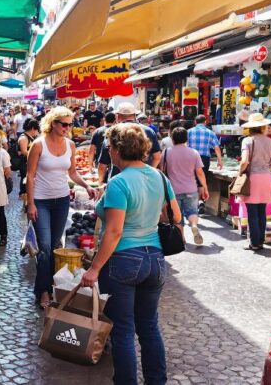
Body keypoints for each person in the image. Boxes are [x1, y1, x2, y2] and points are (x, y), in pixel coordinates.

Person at [81, 123, 180, 385]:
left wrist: (94, 268)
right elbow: (176, 216)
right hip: (155, 259)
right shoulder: (160, 177)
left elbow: (113, 232)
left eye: (110, 148)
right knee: (148, 326)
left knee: (123, 331)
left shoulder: (119, 182)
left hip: (124, 260)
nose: (109, 152)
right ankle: (156, 381)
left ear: (116, 150)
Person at [26, 107, 97, 308]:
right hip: (41, 200)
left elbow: (72, 172)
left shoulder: (71, 145)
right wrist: (30, 203)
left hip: (62, 200)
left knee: (56, 244)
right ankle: (44, 291)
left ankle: (50, 286)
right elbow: (30, 176)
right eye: (64, 124)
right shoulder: (38, 145)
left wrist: (86, 186)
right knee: (45, 247)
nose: (67, 128)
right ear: (52, 123)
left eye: (70, 124)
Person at [238, 113, 271, 251]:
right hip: (266, 178)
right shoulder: (270, 141)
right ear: (263, 126)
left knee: (252, 213)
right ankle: (260, 241)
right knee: (262, 211)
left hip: (253, 179)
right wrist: (266, 169)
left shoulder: (247, 141)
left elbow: (244, 161)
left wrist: (240, 173)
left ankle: (254, 243)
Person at [162, 127, 208, 245]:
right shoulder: (194, 152)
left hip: (173, 190)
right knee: (192, 211)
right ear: (186, 138)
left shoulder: (166, 152)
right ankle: (193, 225)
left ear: (172, 138)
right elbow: (200, 172)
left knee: (178, 217)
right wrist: (205, 187)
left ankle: (181, 239)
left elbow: (162, 171)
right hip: (191, 189)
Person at [98, 103, 162, 181]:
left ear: (117, 116)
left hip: (118, 180)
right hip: (143, 180)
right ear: (135, 115)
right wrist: (148, 174)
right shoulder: (149, 131)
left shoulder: (113, 132)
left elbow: (102, 165)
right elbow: (157, 157)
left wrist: (100, 183)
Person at [18, 119, 40, 198]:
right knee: (25, 179)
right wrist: (36, 156)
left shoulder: (29, 137)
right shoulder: (24, 137)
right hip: (24, 163)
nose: (37, 132)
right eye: (36, 130)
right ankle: (24, 198)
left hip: (28, 162)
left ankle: (27, 199)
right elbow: (24, 151)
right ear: (33, 128)